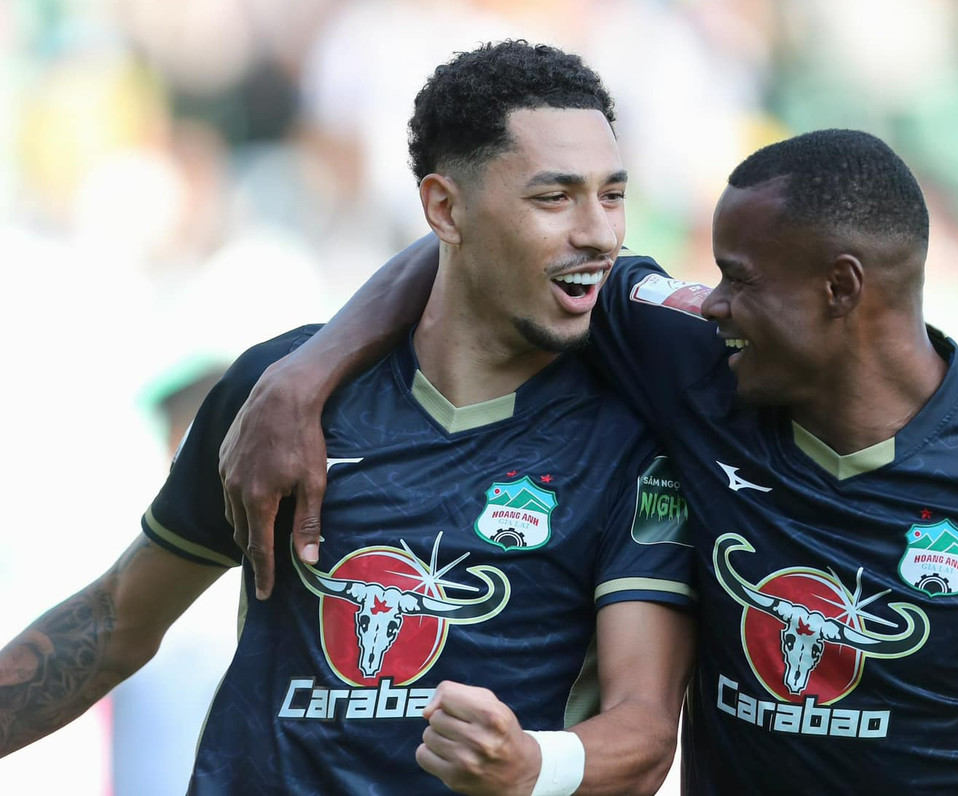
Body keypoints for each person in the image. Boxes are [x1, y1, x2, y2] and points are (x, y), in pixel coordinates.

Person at [221, 129, 958, 795]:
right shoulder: (698, 364)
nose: (714, 301)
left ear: (841, 288)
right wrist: (304, 375)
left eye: (739, 278)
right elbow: (477, 254)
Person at [0, 40, 698, 796]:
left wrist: (533, 764)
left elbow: (645, 730)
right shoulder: (279, 399)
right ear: (444, 208)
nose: (600, 232)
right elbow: (116, 621)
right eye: (554, 198)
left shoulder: (631, 435)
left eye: (612, 195)